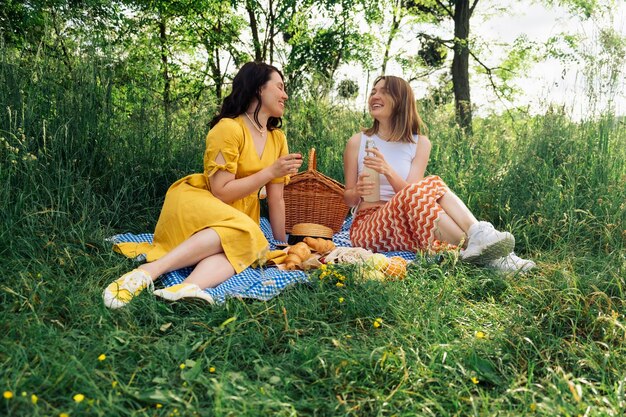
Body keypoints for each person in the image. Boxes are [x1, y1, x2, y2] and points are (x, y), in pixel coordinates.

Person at [103, 61, 303, 308]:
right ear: (258, 89)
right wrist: (270, 171)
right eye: (280, 87)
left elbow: (276, 198)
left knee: (241, 246)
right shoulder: (228, 128)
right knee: (244, 233)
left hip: (240, 217)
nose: (285, 95)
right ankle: (150, 270)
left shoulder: (277, 138)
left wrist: (281, 244)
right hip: (202, 201)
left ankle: (186, 288)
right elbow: (221, 192)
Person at [343, 75, 535, 273]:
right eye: (373, 91)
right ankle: (490, 247)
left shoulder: (420, 144)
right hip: (369, 227)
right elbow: (348, 199)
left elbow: (412, 196)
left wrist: (387, 171)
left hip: (409, 221)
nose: (374, 95)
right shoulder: (358, 142)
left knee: (426, 198)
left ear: (400, 99)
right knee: (431, 184)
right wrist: (357, 190)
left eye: (383, 91)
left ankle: (485, 249)